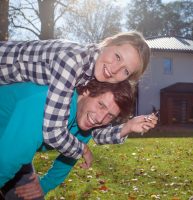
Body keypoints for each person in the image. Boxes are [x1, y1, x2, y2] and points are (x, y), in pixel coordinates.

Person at [0, 31, 151, 169]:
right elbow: (53, 132)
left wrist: (127, 127)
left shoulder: (95, 72)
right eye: (117, 57)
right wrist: (83, 150)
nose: (114, 69)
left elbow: (94, 132)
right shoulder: (73, 62)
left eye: (125, 71)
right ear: (109, 43)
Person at [0, 80, 158, 199]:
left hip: (12, 148)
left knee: (31, 195)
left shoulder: (85, 122)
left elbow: (68, 157)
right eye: (101, 105)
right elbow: (6, 161)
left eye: (110, 115)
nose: (100, 118)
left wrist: (44, 185)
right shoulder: (52, 103)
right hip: (7, 151)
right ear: (87, 91)